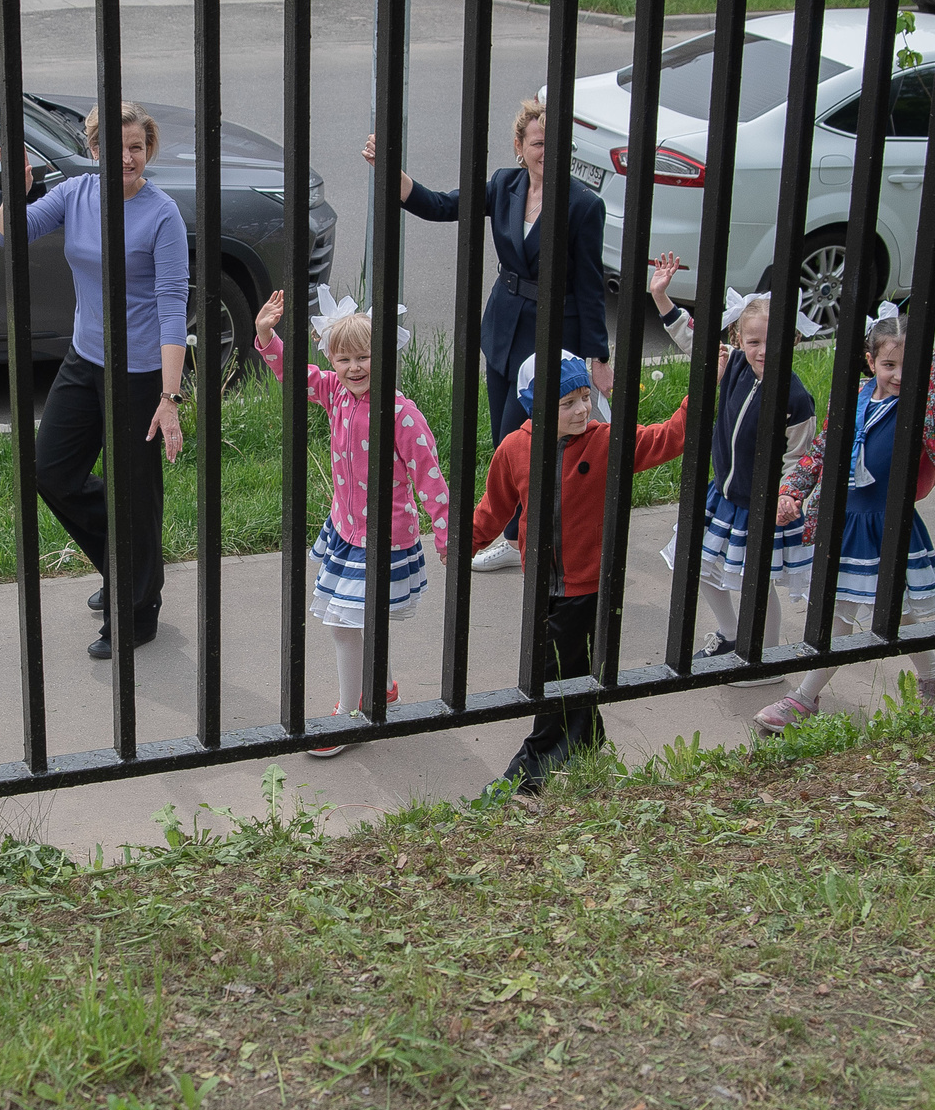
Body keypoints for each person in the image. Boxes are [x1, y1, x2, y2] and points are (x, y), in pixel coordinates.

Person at [364, 96, 610, 575]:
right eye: (538, 143)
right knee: (505, 436)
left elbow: (589, 285)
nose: (547, 151)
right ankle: (527, 530)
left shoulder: (584, 205)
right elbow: (442, 206)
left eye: (557, 142)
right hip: (503, 326)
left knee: (519, 441)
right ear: (520, 146)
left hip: (549, 335)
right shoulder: (504, 184)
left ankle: (519, 537)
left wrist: (597, 357)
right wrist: (397, 178)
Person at [767, 251, 935, 733]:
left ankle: (802, 699)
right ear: (871, 361)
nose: (899, 374)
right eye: (889, 364)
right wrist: (793, 491)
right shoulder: (853, 400)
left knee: (853, 614)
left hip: (887, 526)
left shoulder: (923, 403)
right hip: (846, 525)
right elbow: (821, 451)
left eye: (910, 365)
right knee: (886, 612)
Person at [0, 99, 189, 660]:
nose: (127, 158)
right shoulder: (76, 194)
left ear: (147, 150)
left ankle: (138, 611)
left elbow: (173, 309)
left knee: (134, 493)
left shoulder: (163, 215)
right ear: (95, 149)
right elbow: (10, 235)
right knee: (50, 471)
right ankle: (124, 563)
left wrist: (169, 397)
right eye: (115, 147)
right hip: (86, 359)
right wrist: (15, 191)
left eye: (137, 148)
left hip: (141, 373)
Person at [469, 350, 692, 791]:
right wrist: (465, 545)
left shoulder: (605, 441)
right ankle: (585, 739)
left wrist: (698, 394)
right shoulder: (515, 448)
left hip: (587, 585)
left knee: (554, 673)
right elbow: (494, 507)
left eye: (585, 397)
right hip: (541, 583)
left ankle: (537, 763)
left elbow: (668, 438)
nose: (582, 410)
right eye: (567, 403)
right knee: (564, 668)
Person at [254, 286, 450, 756]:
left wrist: (447, 534)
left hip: (384, 539)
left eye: (364, 357)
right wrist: (266, 336)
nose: (355, 368)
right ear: (332, 360)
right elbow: (294, 375)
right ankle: (382, 687)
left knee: (344, 623)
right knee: (360, 617)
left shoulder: (401, 413)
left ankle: (349, 717)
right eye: (344, 359)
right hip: (346, 530)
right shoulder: (335, 392)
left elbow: (430, 477)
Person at [659, 289, 817, 674]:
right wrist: (661, 298)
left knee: (754, 584)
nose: (763, 351)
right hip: (724, 496)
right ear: (739, 339)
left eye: (774, 341)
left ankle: (766, 659)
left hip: (761, 506)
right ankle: (731, 635)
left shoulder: (796, 398)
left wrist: (787, 495)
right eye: (754, 341)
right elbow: (694, 339)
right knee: (694, 560)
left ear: (793, 339)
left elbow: (799, 457)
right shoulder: (733, 364)